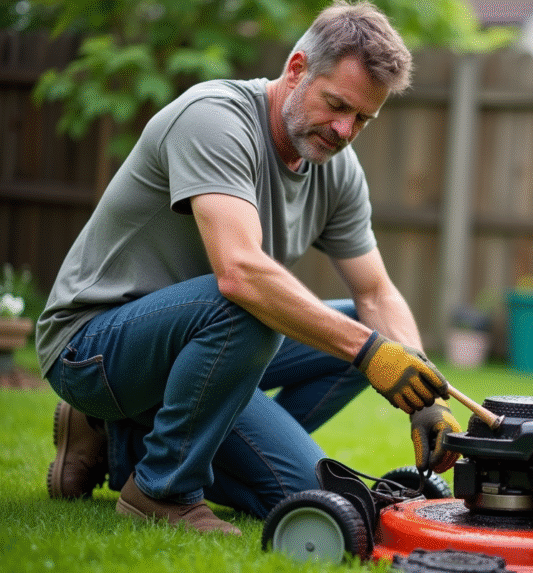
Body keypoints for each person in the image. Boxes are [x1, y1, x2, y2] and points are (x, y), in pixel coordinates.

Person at [36, 0, 462, 536]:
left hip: (202, 347)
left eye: (362, 118)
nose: (345, 128)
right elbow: (239, 273)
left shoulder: (337, 170)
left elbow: (376, 292)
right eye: (336, 105)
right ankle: (160, 490)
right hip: (95, 346)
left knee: (358, 334)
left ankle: (127, 444)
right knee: (254, 311)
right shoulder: (214, 119)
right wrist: (369, 352)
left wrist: (426, 397)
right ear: (298, 68)